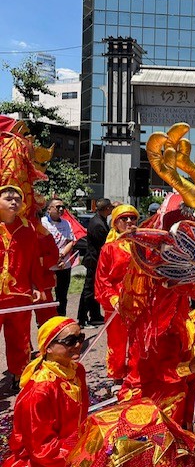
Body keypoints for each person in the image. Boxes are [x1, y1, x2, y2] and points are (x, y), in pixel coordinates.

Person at [4, 316, 89, 466]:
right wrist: (82, 455)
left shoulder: (77, 371)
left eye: (80, 337)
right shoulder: (39, 391)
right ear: (48, 348)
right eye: (70, 341)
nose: (78, 344)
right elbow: (42, 450)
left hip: (73, 450)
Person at [0, 185, 46, 390]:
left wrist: (37, 285)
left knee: (20, 338)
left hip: (20, 293)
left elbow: (33, 260)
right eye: (8, 198)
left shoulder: (28, 228)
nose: (14, 202)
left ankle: (19, 374)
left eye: (17, 199)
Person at [95, 204, 139, 390]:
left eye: (133, 218)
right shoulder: (109, 249)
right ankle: (118, 377)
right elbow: (102, 279)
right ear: (115, 223)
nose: (129, 221)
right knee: (117, 341)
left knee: (139, 340)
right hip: (117, 303)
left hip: (140, 301)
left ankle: (136, 375)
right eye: (124, 218)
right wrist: (113, 299)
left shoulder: (144, 245)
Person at [78, 198, 113, 327]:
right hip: (94, 261)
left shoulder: (99, 220)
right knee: (89, 290)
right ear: (106, 209)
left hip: (96, 260)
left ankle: (95, 315)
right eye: (110, 207)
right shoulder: (98, 224)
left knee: (95, 289)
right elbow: (103, 245)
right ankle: (82, 318)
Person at [41, 198, 77, 316]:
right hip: (48, 267)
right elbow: (40, 245)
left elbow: (70, 241)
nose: (61, 209)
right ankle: (45, 321)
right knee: (45, 295)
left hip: (64, 265)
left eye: (63, 207)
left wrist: (61, 256)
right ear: (49, 209)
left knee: (62, 295)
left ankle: (61, 319)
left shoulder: (66, 223)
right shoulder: (42, 223)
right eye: (57, 207)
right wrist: (54, 258)